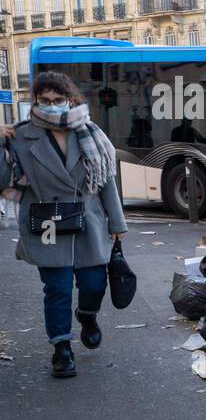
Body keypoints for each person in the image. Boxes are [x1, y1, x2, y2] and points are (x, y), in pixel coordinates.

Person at [0, 71, 127, 378]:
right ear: (36, 101)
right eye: (44, 100)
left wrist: (117, 222)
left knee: (94, 284)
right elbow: (3, 180)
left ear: (70, 100)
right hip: (46, 223)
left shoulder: (91, 133)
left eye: (58, 100)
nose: (51, 105)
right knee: (56, 289)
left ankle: (87, 315)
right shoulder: (21, 135)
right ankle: (61, 349)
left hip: (90, 221)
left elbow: (107, 180)